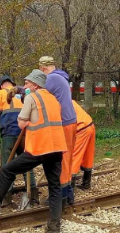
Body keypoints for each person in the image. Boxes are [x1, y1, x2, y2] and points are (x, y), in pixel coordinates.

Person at [0, 70, 65, 232]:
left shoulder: (32, 97)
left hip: (39, 147)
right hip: (56, 148)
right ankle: (54, 226)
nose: (25, 86)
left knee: (7, 170)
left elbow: (21, 123)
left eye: (27, 83)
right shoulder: (54, 99)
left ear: (35, 84)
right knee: (55, 186)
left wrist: (28, 120)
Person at [0, 75, 38, 205]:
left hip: (9, 132)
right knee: (27, 164)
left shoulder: (0, 93)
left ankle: (6, 197)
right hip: (25, 133)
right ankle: (33, 195)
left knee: (7, 165)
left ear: (1, 85)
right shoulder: (21, 93)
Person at [38, 56, 77, 204]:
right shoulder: (60, 77)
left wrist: (21, 92)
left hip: (64, 123)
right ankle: (68, 195)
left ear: (42, 68)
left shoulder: (52, 78)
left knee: (62, 160)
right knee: (66, 159)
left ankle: (61, 197)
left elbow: (38, 92)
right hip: (70, 121)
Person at [70, 99, 95, 191]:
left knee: (74, 156)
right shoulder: (70, 101)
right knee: (88, 155)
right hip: (89, 124)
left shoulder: (61, 104)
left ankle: (70, 188)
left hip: (81, 129)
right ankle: (86, 183)